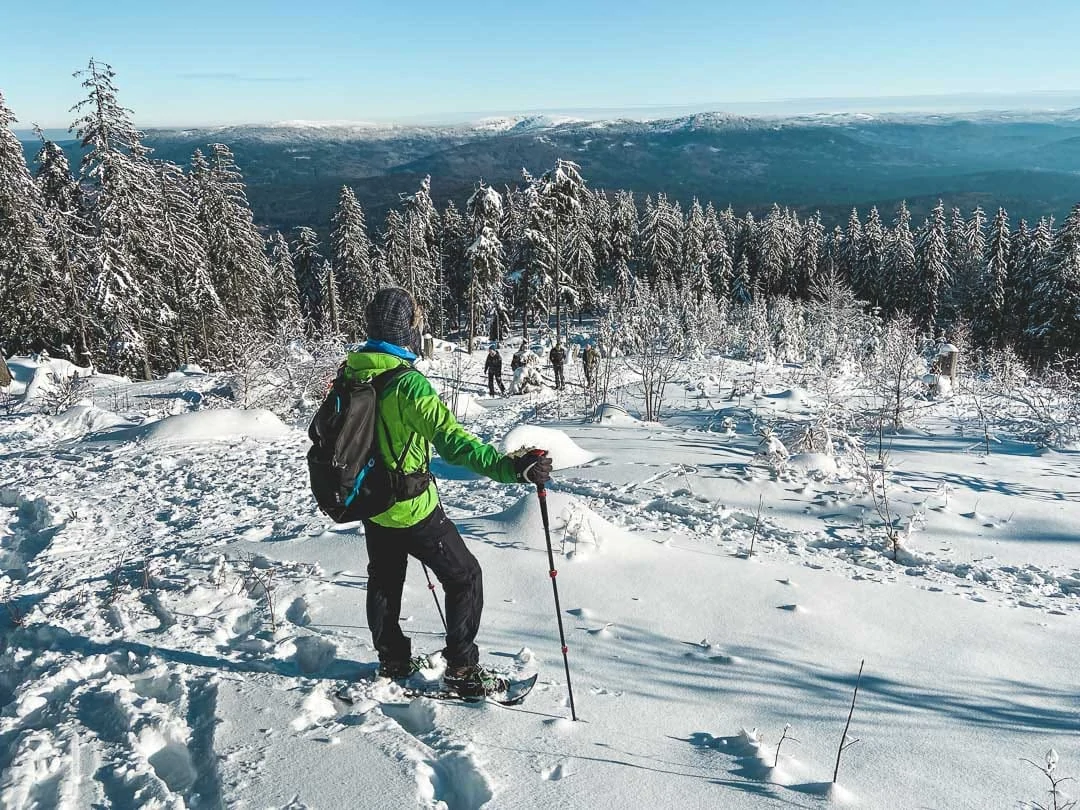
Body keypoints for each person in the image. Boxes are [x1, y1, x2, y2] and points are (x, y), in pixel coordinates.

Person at [345, 288, 554, 696]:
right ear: (405, 330)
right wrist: (512, 468)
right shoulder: (409, 386)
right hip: (411, 508)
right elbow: (455, 444)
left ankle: (393, 661)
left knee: (385, 581)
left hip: (371, 502)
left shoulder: (353, 371)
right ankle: (461, 670)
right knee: (465, 577)